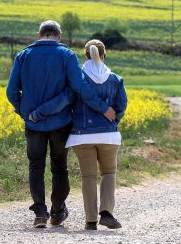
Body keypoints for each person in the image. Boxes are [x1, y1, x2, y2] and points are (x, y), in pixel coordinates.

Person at [6, 21, 116, 228]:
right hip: (61, 123)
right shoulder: (67, 55)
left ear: (39, 34)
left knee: (35, 166)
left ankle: (40, 213)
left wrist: (26, 113)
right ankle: (57, 212)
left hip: (33, 124)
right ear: (59, 35)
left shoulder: (23, 56)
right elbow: (77, 88)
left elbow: (12, 91)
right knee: (59, 168)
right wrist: (102, 107)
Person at [66, 40, 127, 230]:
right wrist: (112, 123)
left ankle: (90, 220)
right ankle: (107, 213)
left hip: (81, 136)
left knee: (88, 177)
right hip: (108, 136)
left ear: (85, 55)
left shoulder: (78, 80)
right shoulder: (115, 79)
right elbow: (121, 106)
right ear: (104, 55)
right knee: (109, 173)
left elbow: (68, 102)